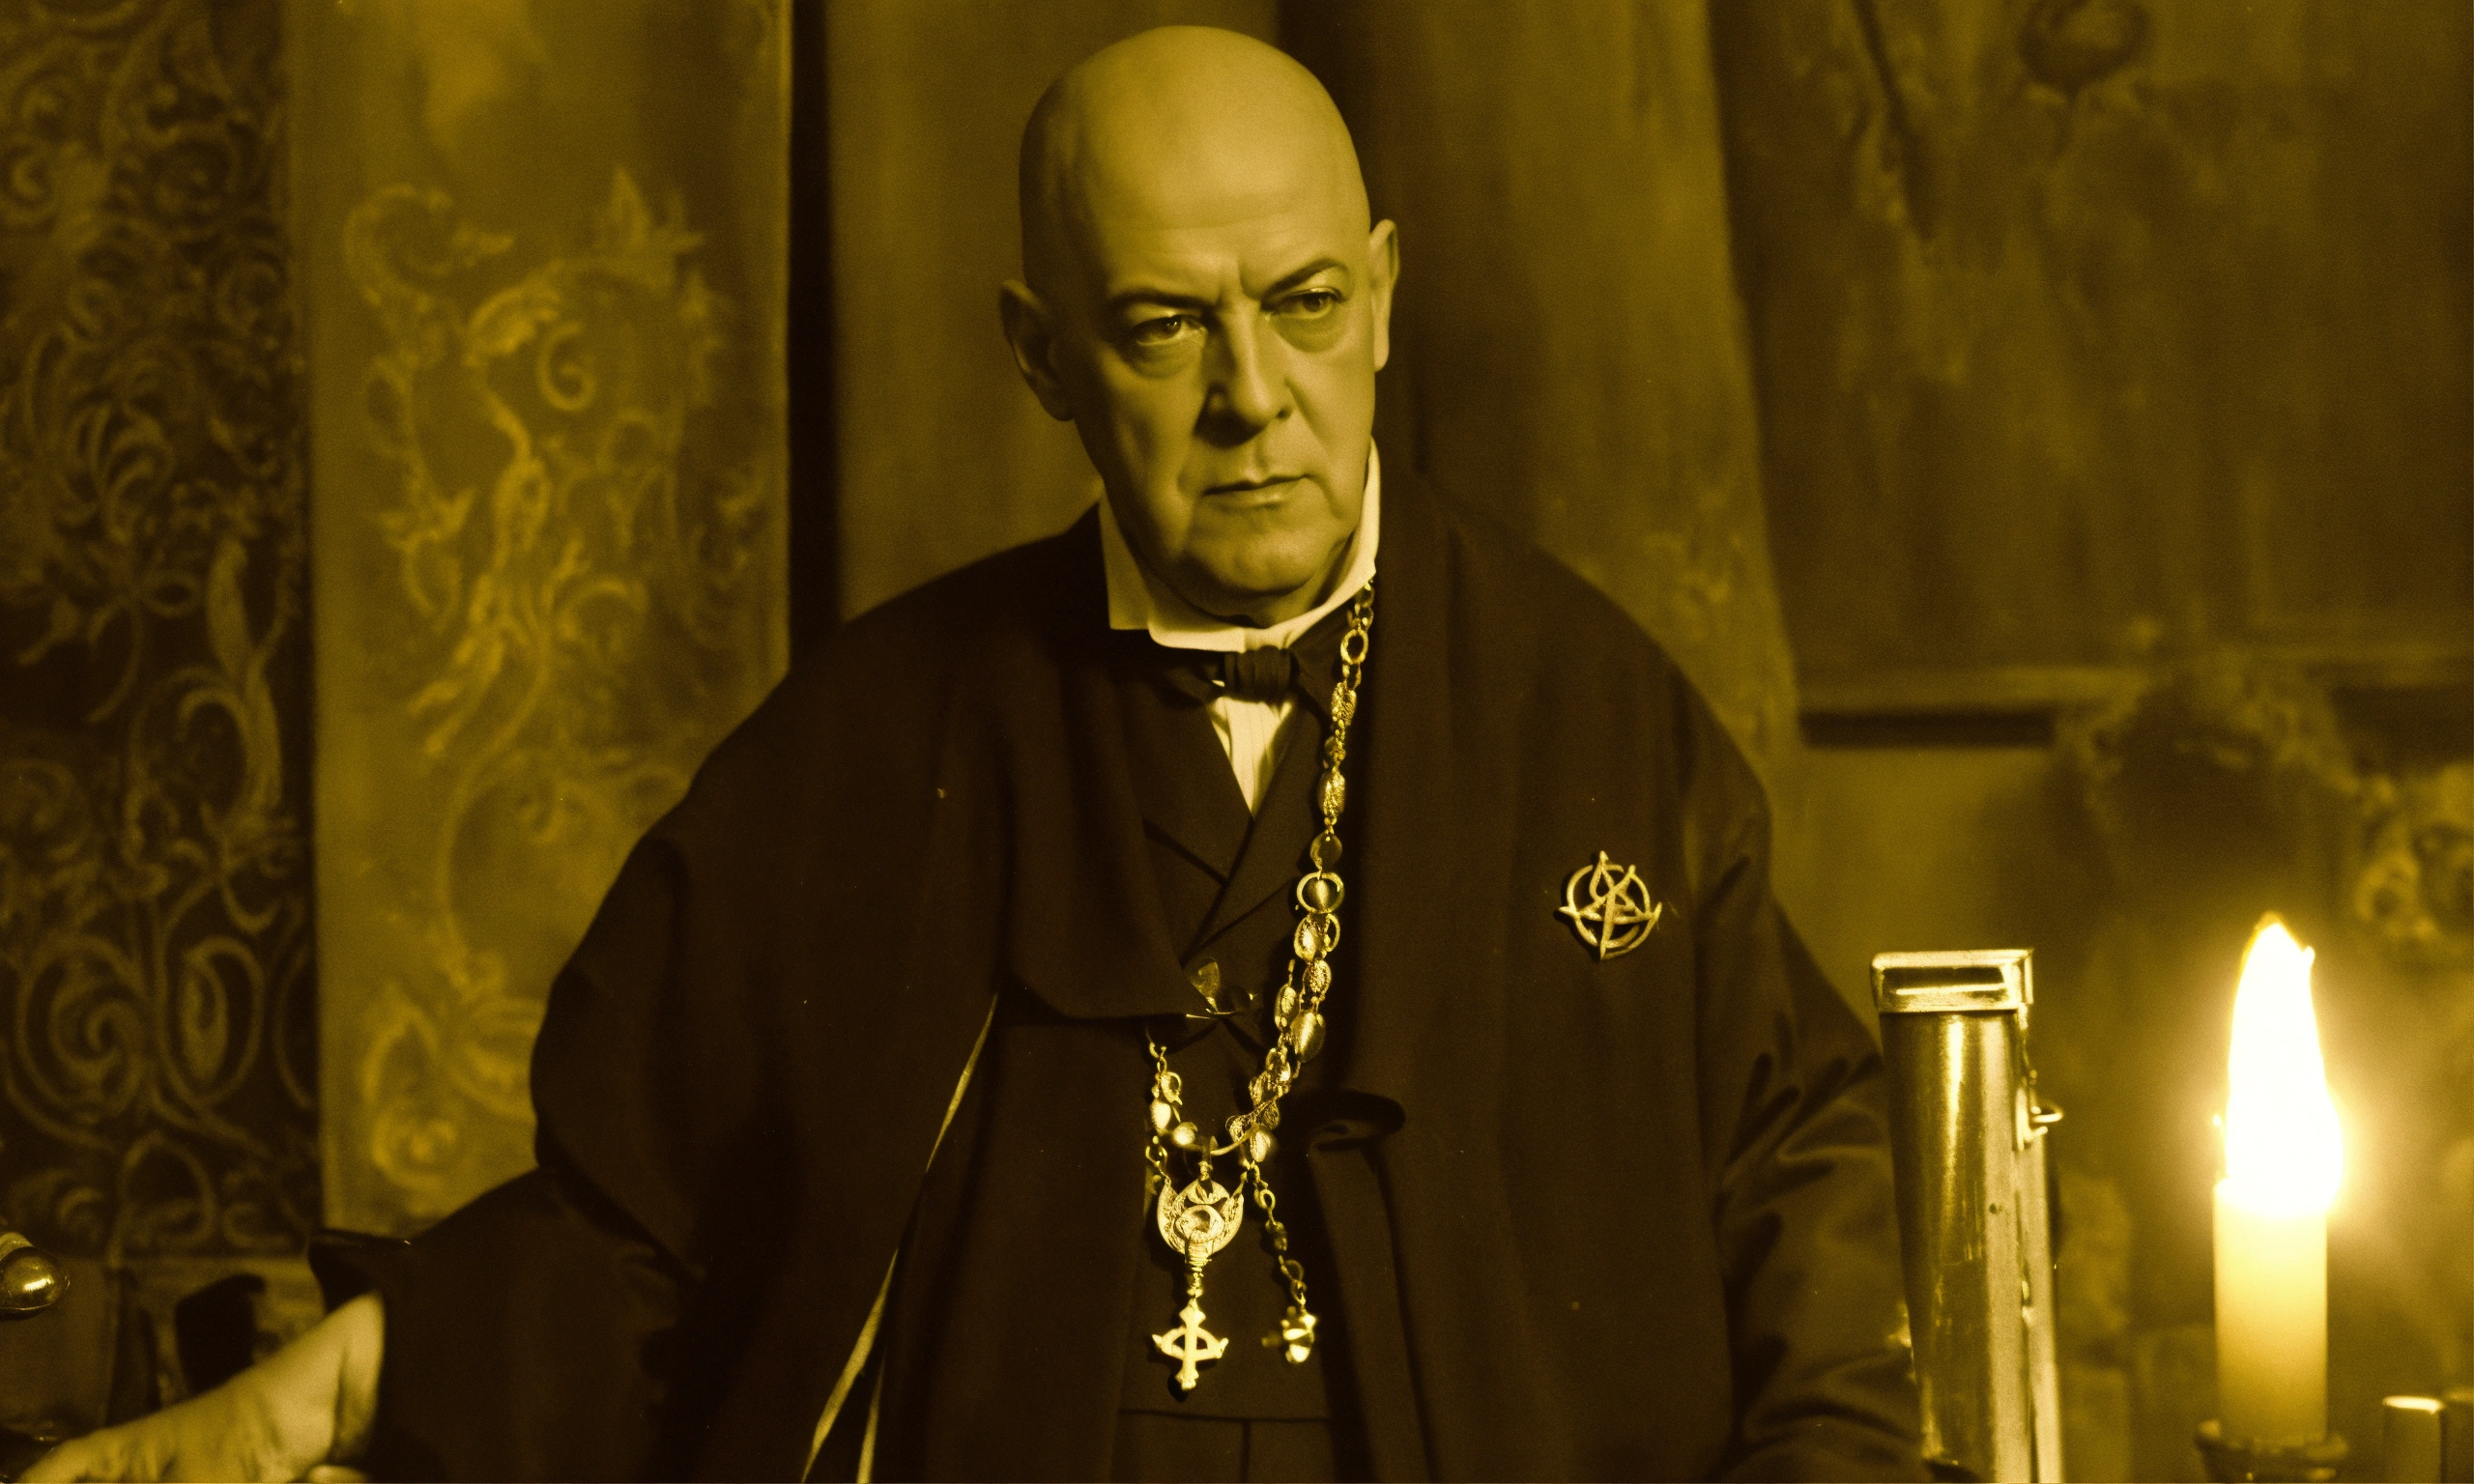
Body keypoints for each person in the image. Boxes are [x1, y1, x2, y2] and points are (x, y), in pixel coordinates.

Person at [33, 26, 1923, 1483]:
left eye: (1302, 307)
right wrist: (308, 1401)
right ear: (1041, 357)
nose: (1251, 398)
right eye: (1163, 329)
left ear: (1384, 294)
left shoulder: (1593, 711)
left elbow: (1792, 1168)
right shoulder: (880, 734)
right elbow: (632, 1239)